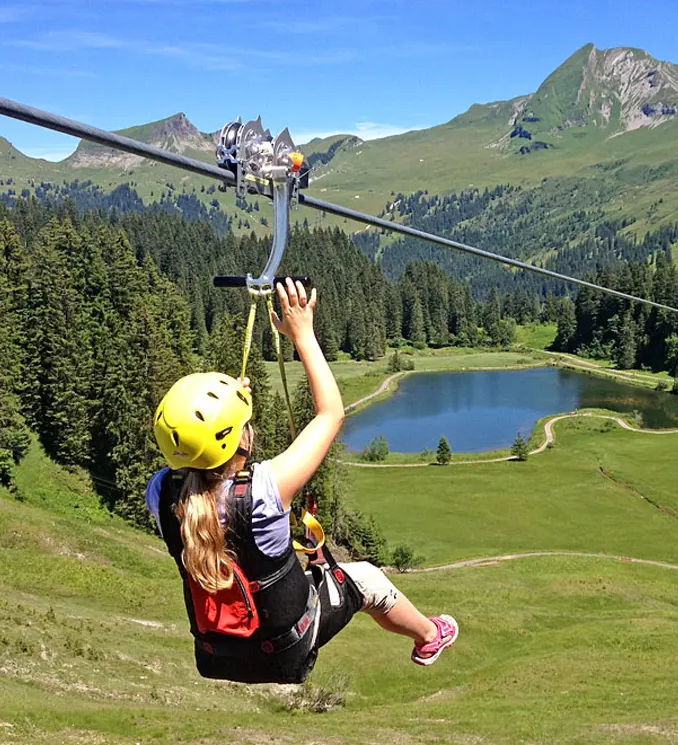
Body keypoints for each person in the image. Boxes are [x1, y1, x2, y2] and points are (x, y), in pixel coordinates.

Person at [145, 279, 458, 684]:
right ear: (241, 438)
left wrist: (227, 408)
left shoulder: (161, 493)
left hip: (218, 653)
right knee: (365, 579)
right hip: (286, 649)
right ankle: (430, 636)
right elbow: (330, 414)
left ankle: (427, 636)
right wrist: (303, 334)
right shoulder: (264, 490)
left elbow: (198, 469)